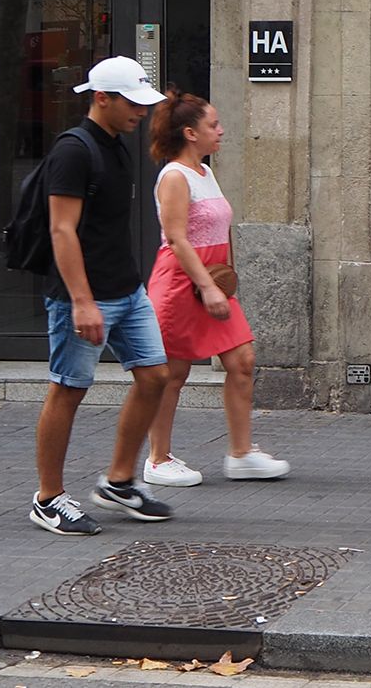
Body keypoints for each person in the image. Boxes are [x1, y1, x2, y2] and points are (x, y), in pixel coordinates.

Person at [29, 56, 174, 535]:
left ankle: (118, 481)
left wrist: (131, 287)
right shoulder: (74, 150)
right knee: (68, 388)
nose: (140, 112)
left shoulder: (116, 144)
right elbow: (61, 230)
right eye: (131, 102)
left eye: (142, 103)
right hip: (85, 293)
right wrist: (82, 301)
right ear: (101, 98)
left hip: (125, 288)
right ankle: (48, 497)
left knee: (154, 377)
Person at [141, 91, 290, 487]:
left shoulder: (206, 172)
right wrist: (207, 287)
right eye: (213, 125)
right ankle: (157, 459)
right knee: (173, 372)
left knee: (242, 360)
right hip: (180, 282)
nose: (221, 131)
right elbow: (176, 238)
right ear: (190, 133)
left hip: (212, 280)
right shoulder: (174, 176)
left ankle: (240, 454)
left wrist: (225, 281)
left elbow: (219, 231)